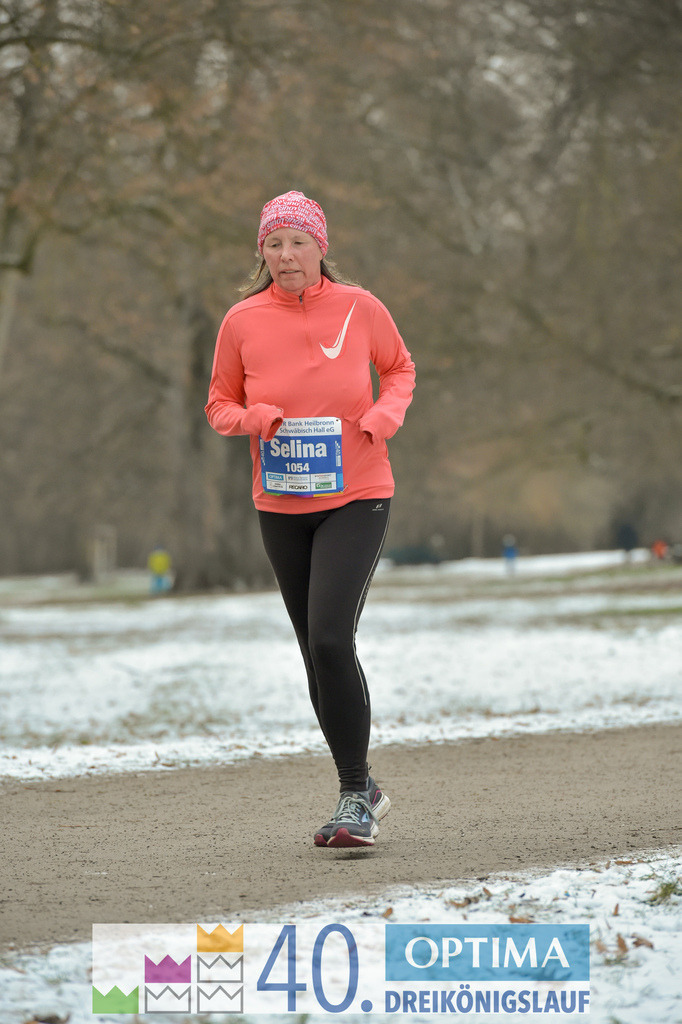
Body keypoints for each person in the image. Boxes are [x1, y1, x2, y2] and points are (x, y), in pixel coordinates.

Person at [205, 190, 415, 848]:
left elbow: (401, 368)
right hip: (282, 504)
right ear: (261, 253)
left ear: (322, 247)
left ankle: (356, 794)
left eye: (298, 242)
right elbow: (218, 404)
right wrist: (252, 419)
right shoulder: (241, 321)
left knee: (330, 639)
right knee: (311, 654)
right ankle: (364, 789)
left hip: (358, 495)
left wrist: (383, 416)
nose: (287, 255)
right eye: (275, 243)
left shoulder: (360, 308)